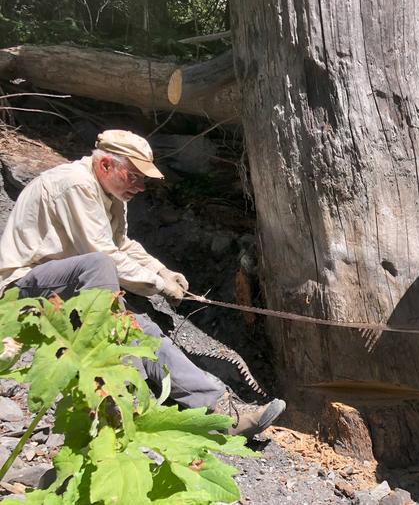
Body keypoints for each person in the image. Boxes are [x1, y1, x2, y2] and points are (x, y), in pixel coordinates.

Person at [0, 129, 285, 438]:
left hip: (72, 291)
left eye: (142, 179)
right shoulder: (76, 184)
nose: (140, 186)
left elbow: (122, 245)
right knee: (102, 271)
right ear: (106, 164)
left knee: (143, 331)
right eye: (133, 176)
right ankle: (121, 385)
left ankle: (220, 412)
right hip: (23, 291)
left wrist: (162, 271)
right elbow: (102, 254)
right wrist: (156, 285)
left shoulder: (110, 191)